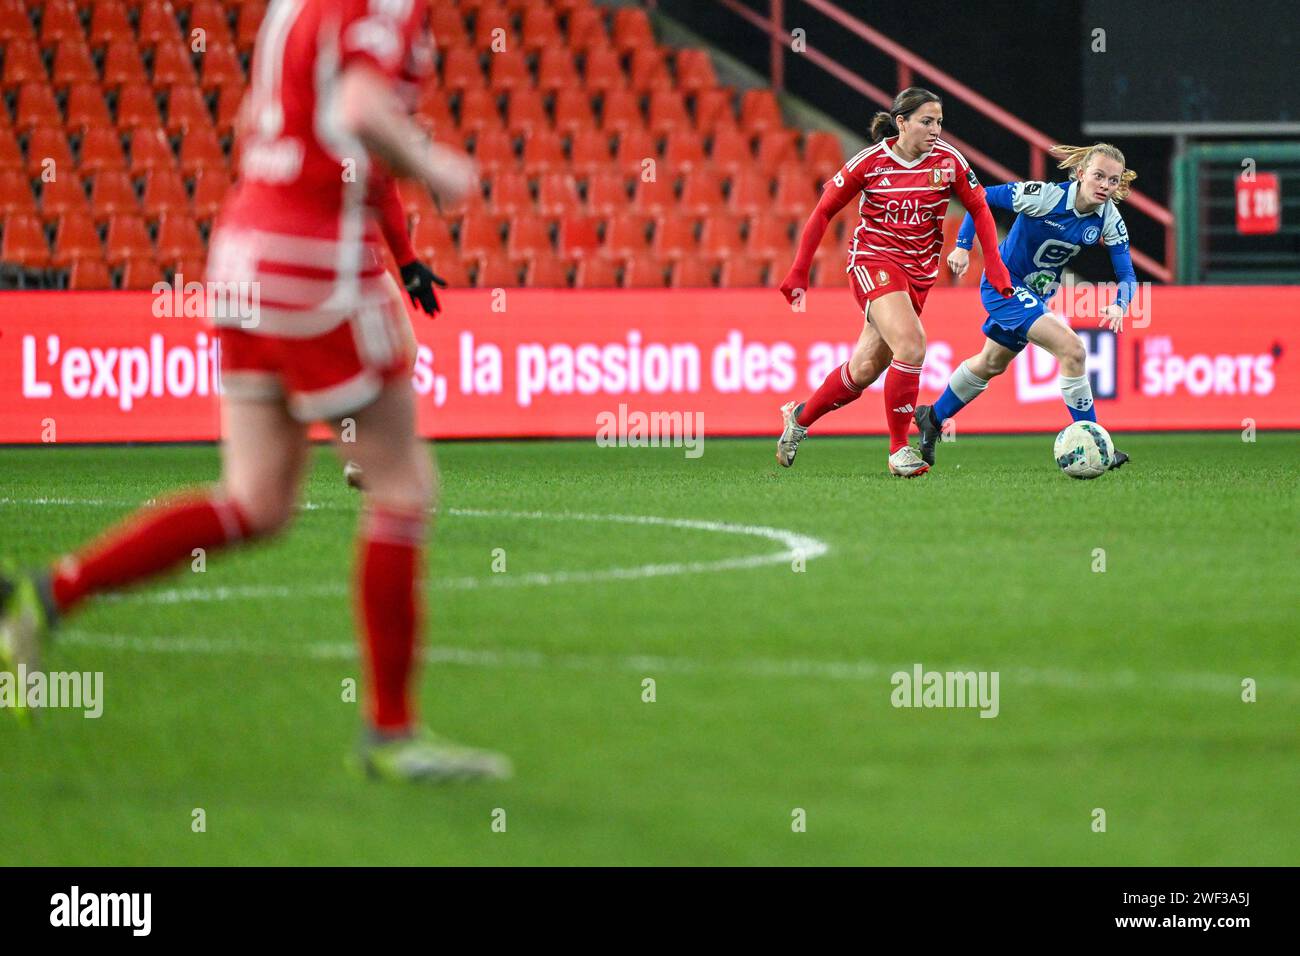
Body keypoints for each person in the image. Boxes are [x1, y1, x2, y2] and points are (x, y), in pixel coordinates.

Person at [0, 0, 510, 783]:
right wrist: (434, 164)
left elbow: (262, 116)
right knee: (403, 487)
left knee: (256, 501)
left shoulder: (294, 8)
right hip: (312, 266)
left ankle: (48, 594)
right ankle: (391, 734)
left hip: (243, 252)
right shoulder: (384, 7)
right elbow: (361, 109)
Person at [776, 87, 1012, 477]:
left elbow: (980, 208)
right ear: (901, 123)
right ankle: (899, 449)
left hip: (918, 275)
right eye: (926, 121)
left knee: (866, 368)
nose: (936, 129)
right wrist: (799, 270)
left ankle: (799, 418)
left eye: (939, 122)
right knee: (912, 343)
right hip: (873, 261)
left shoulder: (949, 161)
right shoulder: (869, 163)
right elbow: (823, 212)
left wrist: (995, 266)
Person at [913, 143, 1138, 469]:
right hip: (1002, 284)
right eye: (1099, 176)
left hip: (1034, 293)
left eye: (1113, 181)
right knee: (1072, 350)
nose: (1105, 185)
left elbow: (1127, 272)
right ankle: (1094, 439)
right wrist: (963, 246)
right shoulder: (1043, 196)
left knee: (990, 363)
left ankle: (932, 417)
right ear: (1080, 174)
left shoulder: (1108, 218)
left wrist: (1120, 304)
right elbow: (982, 197)